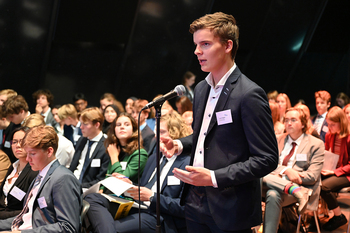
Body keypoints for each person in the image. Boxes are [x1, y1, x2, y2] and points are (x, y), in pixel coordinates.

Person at [161, 12, 278, 233]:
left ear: (227, 46)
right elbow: (204, 135)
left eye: (205, 44)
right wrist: (180, 144)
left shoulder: (249, 94)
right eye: (196, 45)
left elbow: (267, 159)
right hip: (195, 200)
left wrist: (214, 177)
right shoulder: (202, 88)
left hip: (230, 206)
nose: (197, 51)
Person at [85, 112, 192, 233]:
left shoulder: (187, 163)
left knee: (105, 228)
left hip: (160, 216)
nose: (156, 136)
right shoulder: (154, 158)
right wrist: (130, 184)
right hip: (138, 206)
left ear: (175, 133)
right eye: (156, 132)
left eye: (161, 132)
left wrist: (152, 197)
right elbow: (144, 187)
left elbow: (185, 208)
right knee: (92, 198)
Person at [0, 125, 82, 232]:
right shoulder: (40, 175)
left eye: (32, 154)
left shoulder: (63, 178)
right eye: (27, 153)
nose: (28, 158)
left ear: (49, 151)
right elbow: (25, 218)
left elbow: (68, 227)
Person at [262, 107, 325, 233]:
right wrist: (286, 170)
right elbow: (266, 163)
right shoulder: (277, 139)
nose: (288, 123)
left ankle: (293, 189)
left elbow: (312, 176)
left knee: (273, 194)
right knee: (256, 173)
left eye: (293, 120)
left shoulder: (316, 144)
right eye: (286, 120)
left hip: (299, 186)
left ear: (303, 123)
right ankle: (293, 190)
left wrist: (288, 176)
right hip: (269, 182)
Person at [315, 106, 350, 231]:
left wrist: (334, 171)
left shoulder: (349, 137)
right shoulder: (330, 135)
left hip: (346, 173)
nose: (329, 127)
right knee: (313, 179)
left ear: (342, 122)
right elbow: (328, 155)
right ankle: (314, 217)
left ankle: (338, 216)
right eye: (328, 124)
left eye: (333, 124)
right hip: (335, 171)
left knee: (324, 187)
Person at [0, 127, 38, 219]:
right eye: (14, 142)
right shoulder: (13, 167)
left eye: (22, 141)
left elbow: (30, 210)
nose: (18, 145)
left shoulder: (35, 172)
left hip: (17, 221)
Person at [101, 112, 148, 186]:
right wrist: (101, 189)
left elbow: (122, 180)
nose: (122, 127)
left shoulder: (140, 153)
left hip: (127, 196)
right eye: (118, 125)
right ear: (114, 130)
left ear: (133, 129)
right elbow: (109, 175)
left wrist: (114, 157)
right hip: (111, 192)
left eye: (127, 124)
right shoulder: (115, 149)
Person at [69, 107, 110, 188]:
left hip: (89, 189)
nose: (81, 127)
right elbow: (73, 166)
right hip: (72, 183)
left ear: (97, 125)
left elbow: (101, 179)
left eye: (85, 124)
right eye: (81, 123)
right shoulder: (82, 140)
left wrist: (78, 186)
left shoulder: (106, 146)